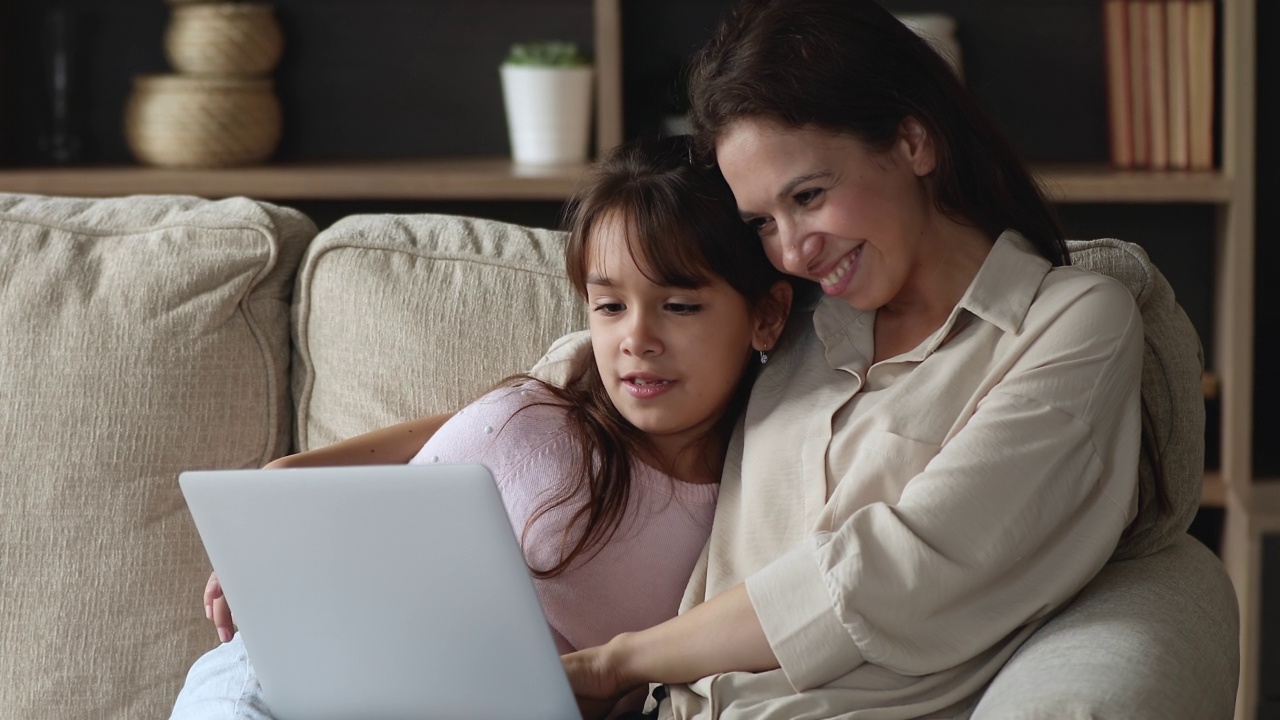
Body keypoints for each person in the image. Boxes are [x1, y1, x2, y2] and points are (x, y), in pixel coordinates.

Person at [534, 1, 1149, 718]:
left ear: (913, 141)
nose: (793, 250)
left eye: (810, 196)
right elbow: (611, 355)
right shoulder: (796, 314)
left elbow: (894, 570)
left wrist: (616, 662)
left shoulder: (1069, 325)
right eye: (762, 222)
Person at [168, 134, 794, 720]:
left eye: (679, 306)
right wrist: (264, 549)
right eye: (609, 306)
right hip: (317, 662)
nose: (637, 339)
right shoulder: (530, 426)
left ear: (765, 318)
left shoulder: (757, 501)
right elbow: (322, 507)